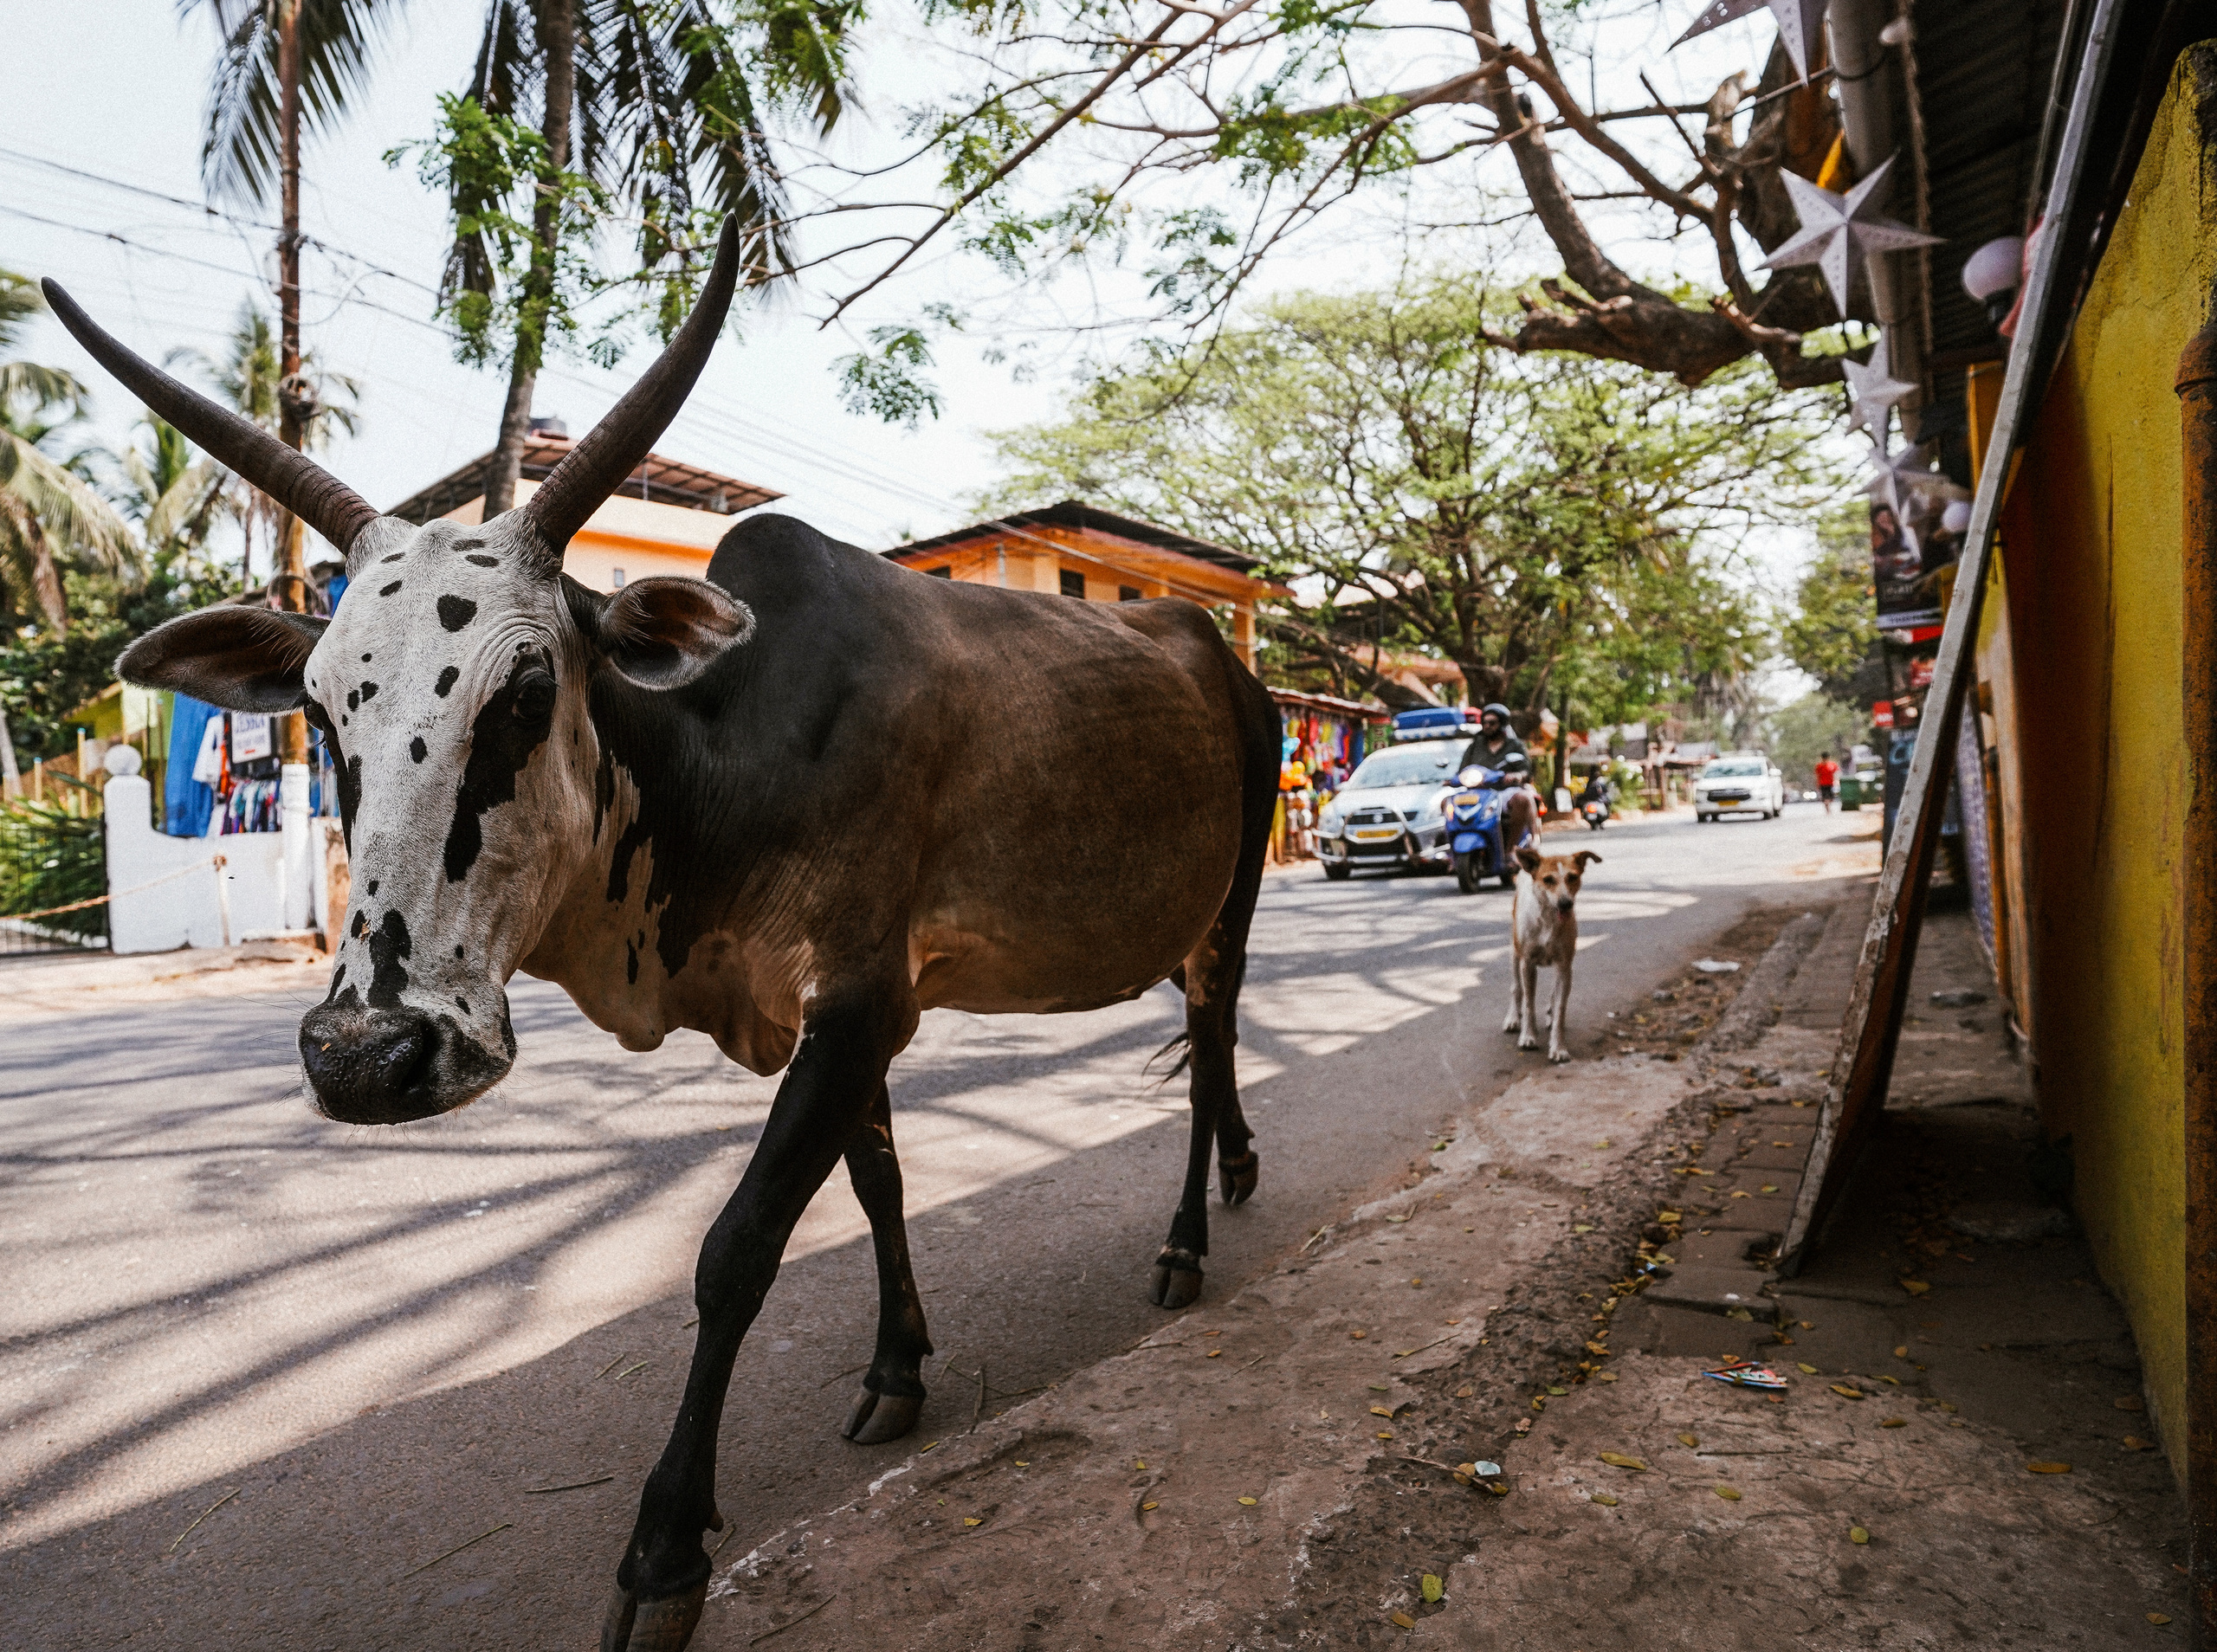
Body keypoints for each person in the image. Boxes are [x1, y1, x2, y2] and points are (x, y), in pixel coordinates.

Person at [1459, 702, 1529, 783]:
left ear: (1502, 724)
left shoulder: (1515, 745)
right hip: (1478, 789)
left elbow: (1526, 772)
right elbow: (1462, 770)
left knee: (1524, 796)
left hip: (1507, 789)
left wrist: (1517, 776)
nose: (1487, 726)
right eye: (1484, 723)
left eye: (1492, 723)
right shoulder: (1475, 745)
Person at [1813, 751, 1839, 815]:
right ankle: (1828, 810)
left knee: (1830, 797)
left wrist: (1836, 781)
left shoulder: (1832, 765)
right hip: (1823, 784)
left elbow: (1836, 773)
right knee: (1825, 797)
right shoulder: (1819, 766)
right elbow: (1817, 775)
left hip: (1830, 783)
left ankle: (1828, 807)